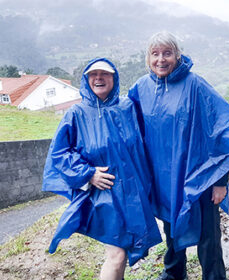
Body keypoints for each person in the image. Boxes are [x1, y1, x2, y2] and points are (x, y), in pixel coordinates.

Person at [128, 31, 229, 280]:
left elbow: (224, 131)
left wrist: (221, 182)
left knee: (208, 236)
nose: (161, 59)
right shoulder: (141, 89)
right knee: (171, 228)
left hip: (201, 177)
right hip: (165, 179)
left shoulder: (195, 85)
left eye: (167, 53)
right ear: (148, 58)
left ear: (177, 55)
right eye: (155, 54)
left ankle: (214, 277)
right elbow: (123, 124)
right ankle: (174, 273)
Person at [42, 58, 162, 280]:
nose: (98, 78)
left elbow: (146, 142)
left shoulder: (127, 108)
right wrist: (88, 174)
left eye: (104, 74)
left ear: (114, 78)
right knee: (116, 254)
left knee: (124, 248)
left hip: (133, 194)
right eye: (93, 74)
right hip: (104, 196)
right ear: (86, 80)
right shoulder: (76, 113)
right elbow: (59, 154)